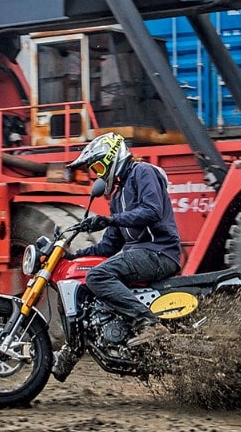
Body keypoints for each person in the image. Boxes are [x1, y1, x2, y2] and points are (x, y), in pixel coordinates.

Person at [51, 132, 182, 382]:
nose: (99, 175)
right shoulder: (118, 196)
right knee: (80, 274)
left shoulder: (143, 172)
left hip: (160, 252)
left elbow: (152, 210)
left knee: (98, 275)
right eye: (95, 170)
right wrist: (72, 256)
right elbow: (109, 246)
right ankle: (75, 346)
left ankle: (150, 324)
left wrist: (110, 219)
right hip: (141, 255)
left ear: (114, 158)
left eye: (100, 167)